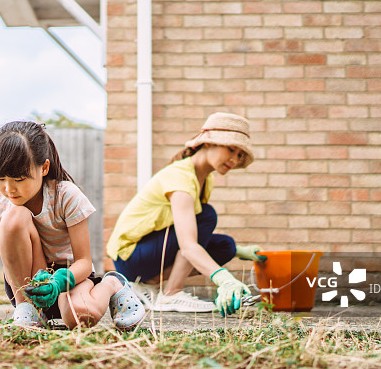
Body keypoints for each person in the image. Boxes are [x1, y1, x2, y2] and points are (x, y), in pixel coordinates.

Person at [0, 121, 144, 331]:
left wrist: (58, 283)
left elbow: (84, 262)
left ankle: (113, 284)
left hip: (70, 279)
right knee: (14, 217)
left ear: (44, 168)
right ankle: (28, 310)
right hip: (27, 286)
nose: (9, 189)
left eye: (19, 179)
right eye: (0, 178)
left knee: (78, 317)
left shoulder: (65, 196)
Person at [106, 112, 266, 316]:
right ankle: (171, 293)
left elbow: (192, 236)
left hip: (147, 255)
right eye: (231, 149)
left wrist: (238, 251)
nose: (234, 159)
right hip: (130, 257)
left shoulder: (205, 180)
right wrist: (223, 278)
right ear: (208, 143)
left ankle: (149, 286)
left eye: (240, 155)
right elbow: (188, 245)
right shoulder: (181, 176)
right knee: (207, 215)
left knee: (226, 246)